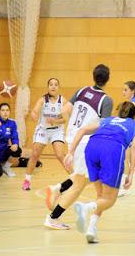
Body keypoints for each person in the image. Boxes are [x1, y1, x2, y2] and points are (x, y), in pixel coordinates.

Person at [43, 64, 113, 229]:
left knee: (88, 176)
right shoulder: (106, 100)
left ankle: (57, 188)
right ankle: (53, 218)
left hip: (72, 137)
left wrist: (73, 125)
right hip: (85, 142)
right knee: (79, 184)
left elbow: (65, 109)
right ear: (108, 79)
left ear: (93, 76)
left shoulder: (82, 91)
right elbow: (102, 126)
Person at [69, 101, 135, 243]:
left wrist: (70, 152)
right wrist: (131, 174)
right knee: (109, 200)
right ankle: (85, 207)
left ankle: (91, 229)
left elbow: (82, 130)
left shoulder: (107, 120)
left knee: (101, 196)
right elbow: (133, 150)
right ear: (133, 115)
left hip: (92, 148)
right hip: (111, 150)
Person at [22, 78, 71, 190]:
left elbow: (65, 119)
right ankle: (27, 181)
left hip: (57, 130)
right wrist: (34, 114)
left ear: (58, 87)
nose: (53, 86)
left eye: (55, 85)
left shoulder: (63, 101)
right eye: (51, 84)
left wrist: (54, 121)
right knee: (35, 155)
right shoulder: (42, 100)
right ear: (48, 87)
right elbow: (35, 110)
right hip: (43, 130)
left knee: (60, 155)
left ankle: (74, 178)